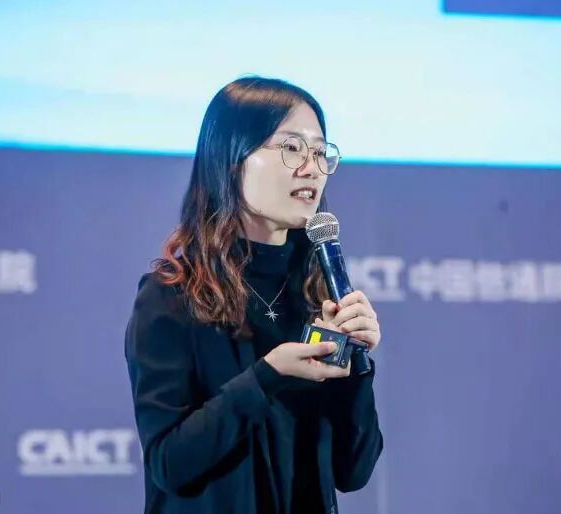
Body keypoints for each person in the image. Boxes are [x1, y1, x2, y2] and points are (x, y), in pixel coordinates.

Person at [124, 76, 383, 514]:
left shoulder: (317, 294)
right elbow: (170, 464)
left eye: (320, 152)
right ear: (232, 159)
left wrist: (357, 367)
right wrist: (267, 377)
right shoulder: (171, 297)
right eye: (291, 148)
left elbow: (352, 472)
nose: (312, 168)